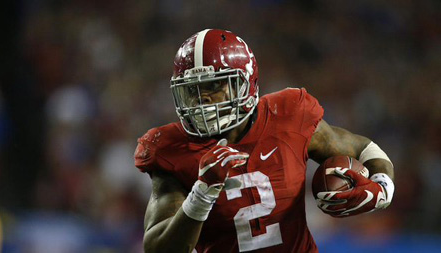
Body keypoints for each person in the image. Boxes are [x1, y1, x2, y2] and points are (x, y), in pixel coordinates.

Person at [134, 29, 395, 252]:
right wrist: (202, 193)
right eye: (192, 89)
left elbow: (364, 149)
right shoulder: (172, 148)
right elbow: (158, 247)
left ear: (246, 83)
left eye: (213, 86)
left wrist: (382, 189)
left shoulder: (288, 115)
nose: (202, 99)